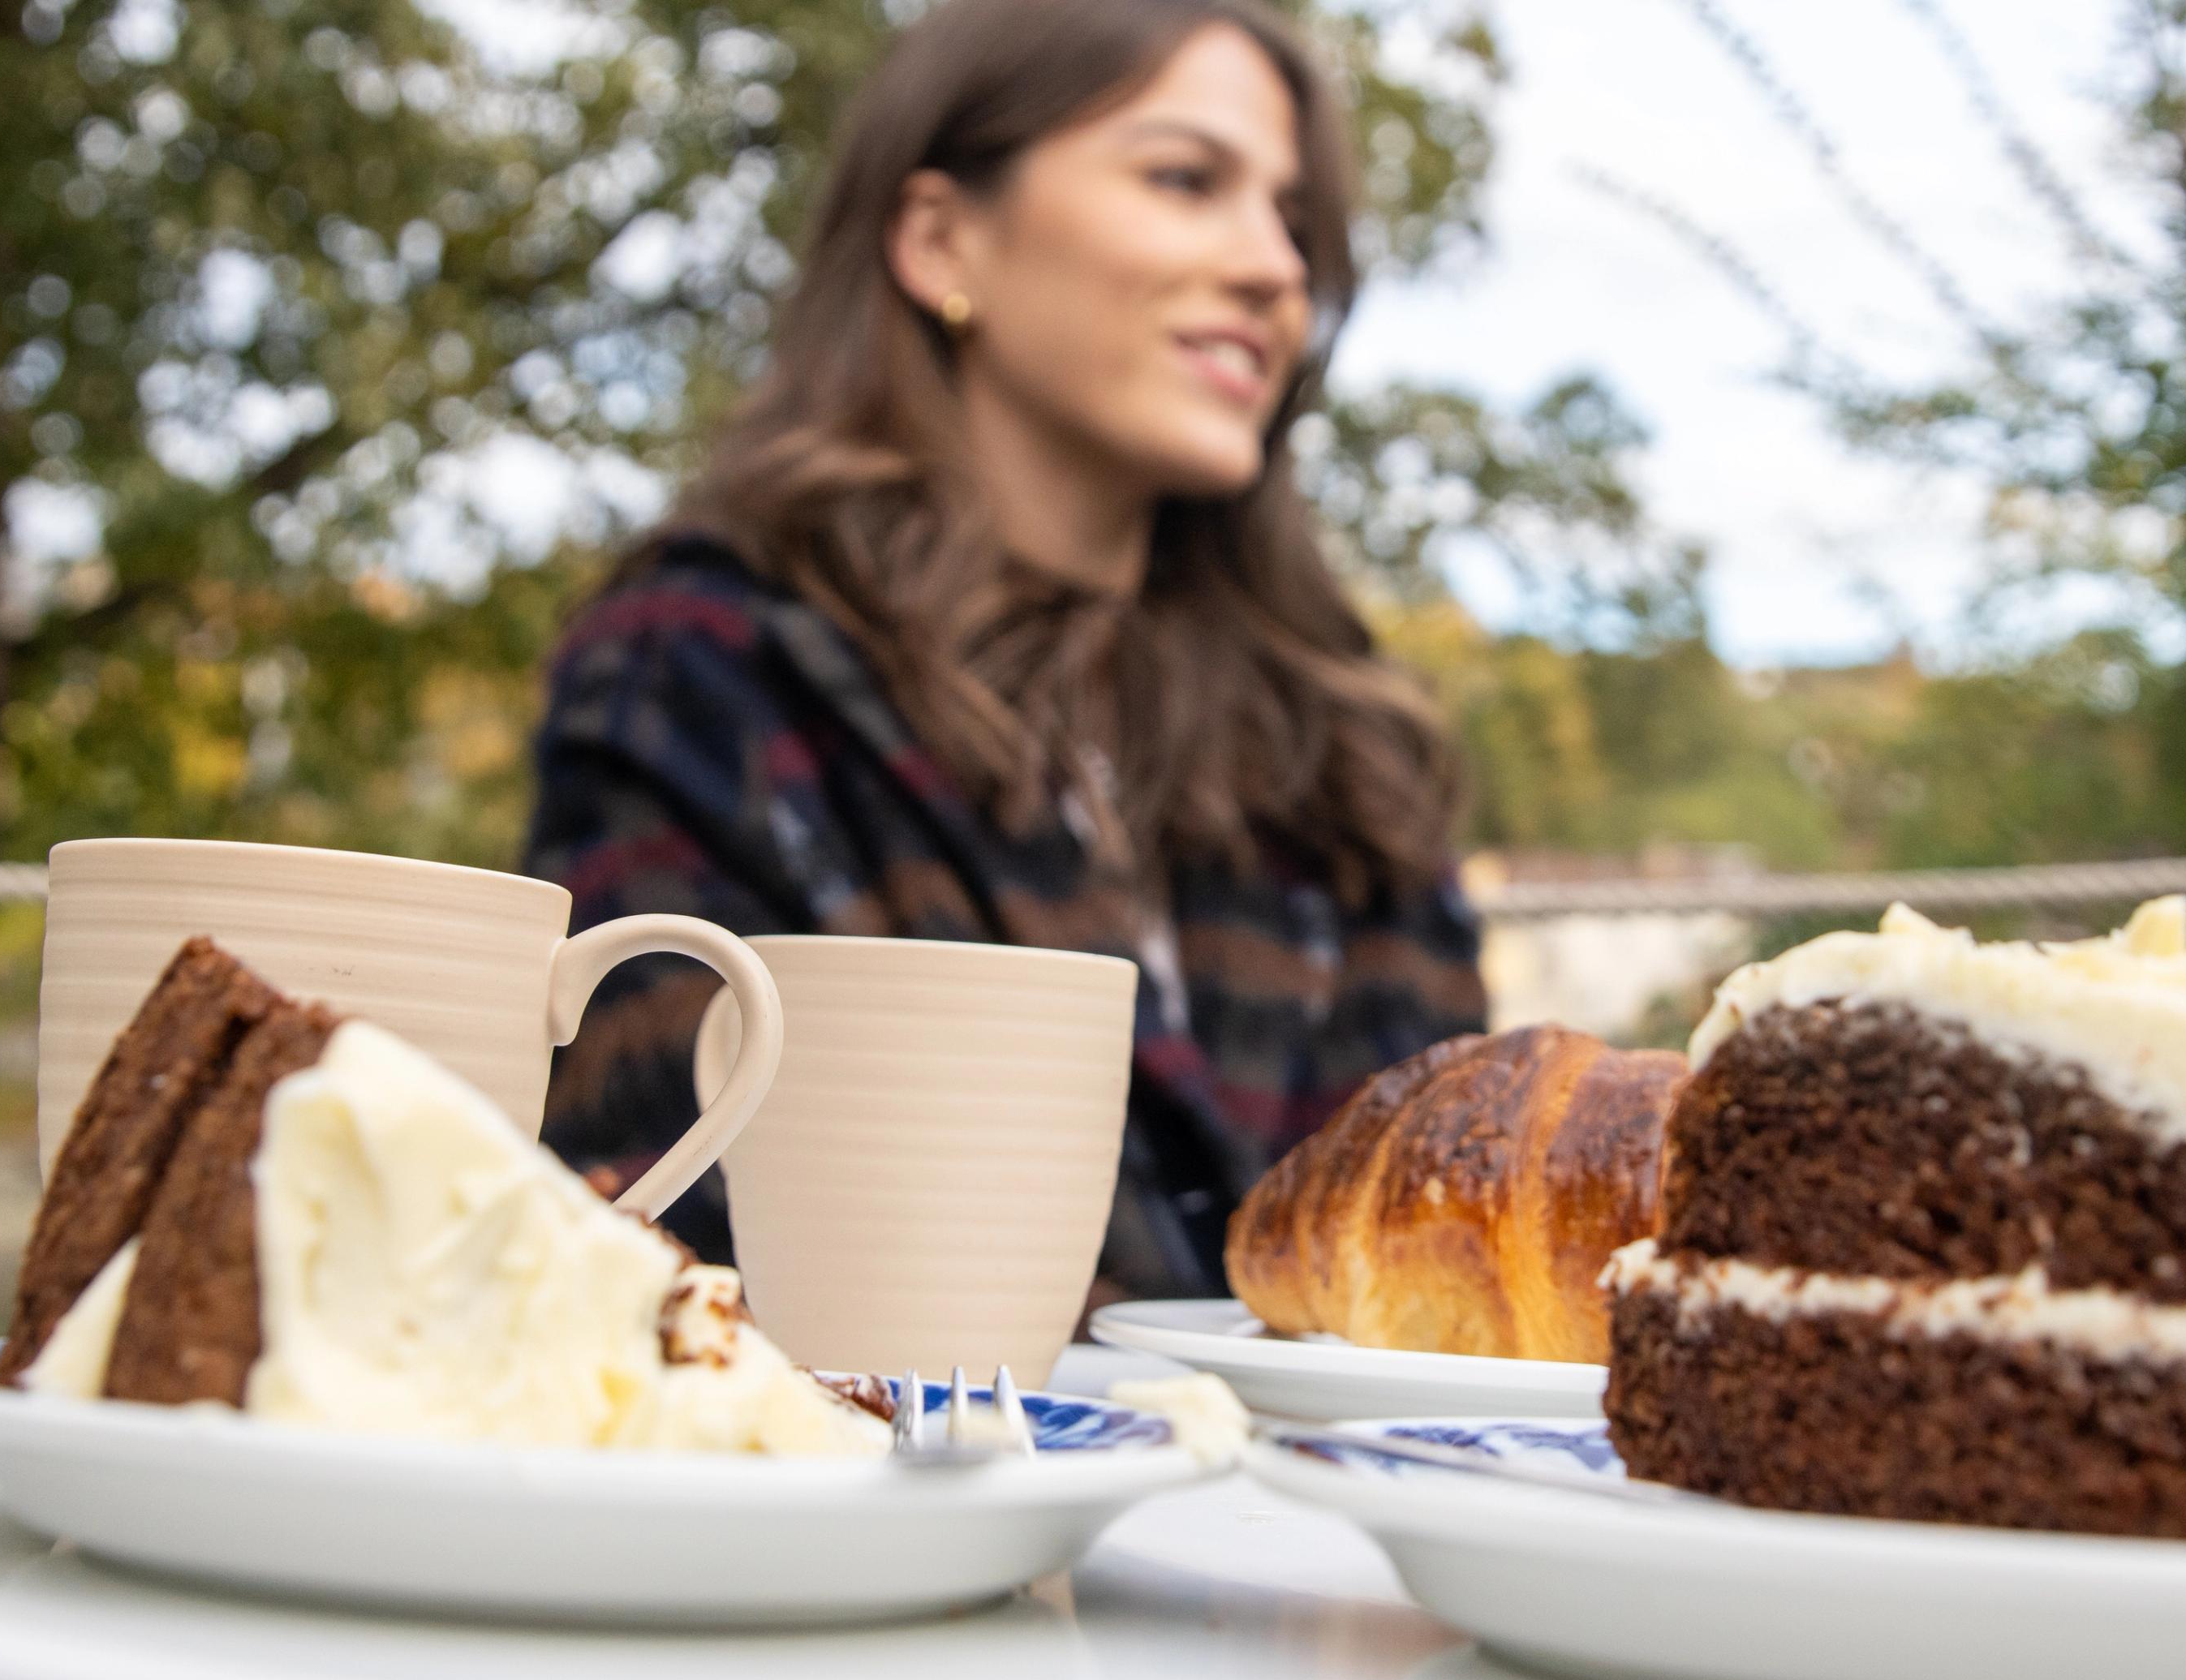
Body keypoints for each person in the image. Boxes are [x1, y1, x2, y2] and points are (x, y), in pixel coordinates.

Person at [523, 0, 1487, 1302]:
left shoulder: (1342, 747)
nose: (1275, 267)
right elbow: (680, 1224)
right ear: (939, 239)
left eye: (1297, 224)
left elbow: (1445, 1248)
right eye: (1186, 178)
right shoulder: (706, 678)